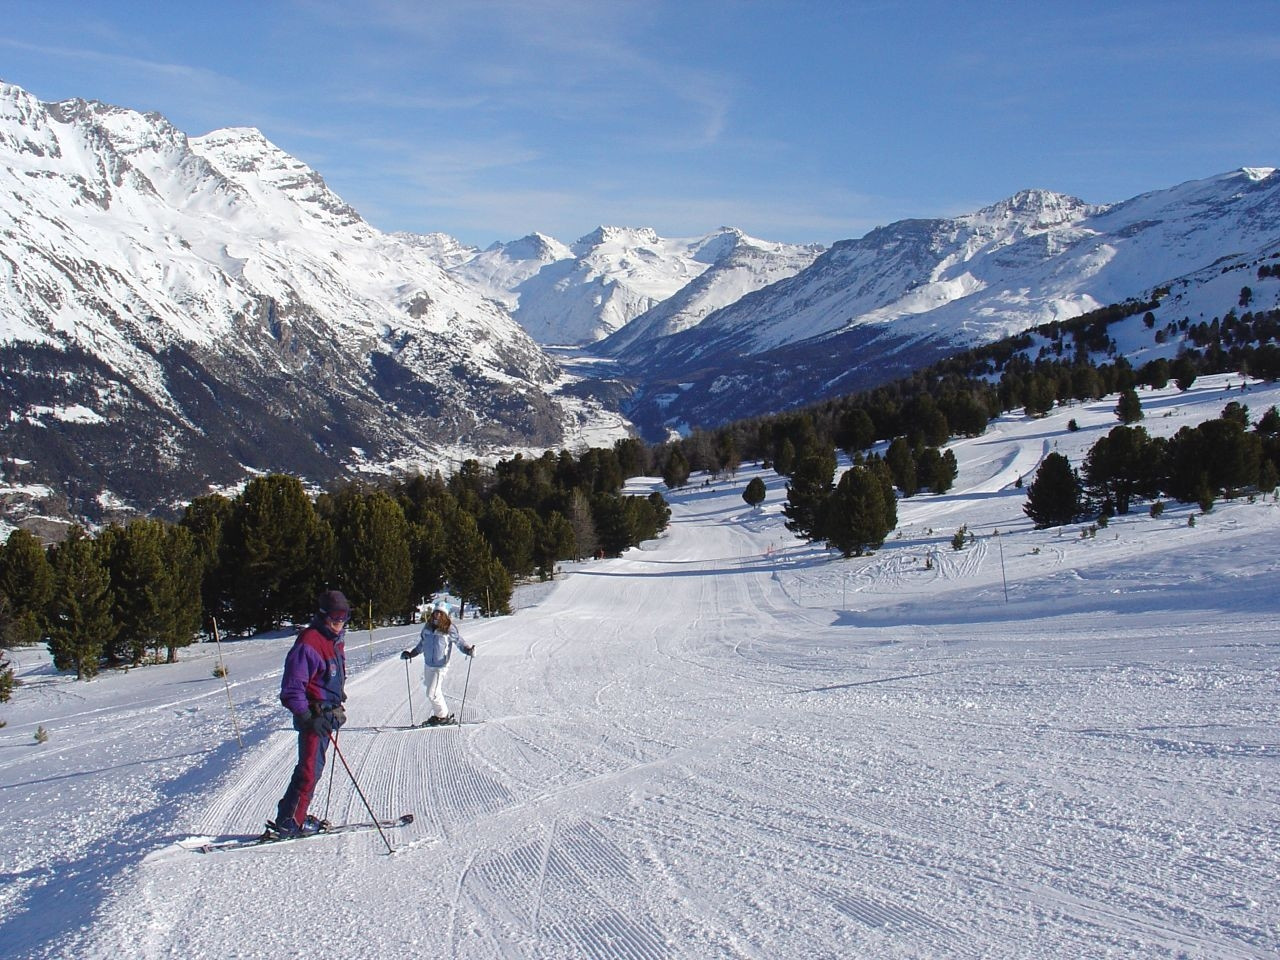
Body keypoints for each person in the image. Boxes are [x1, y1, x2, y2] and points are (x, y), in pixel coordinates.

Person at [267, 589, 350, 837]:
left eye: (345, 617)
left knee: (314, 767)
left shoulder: (334, 640)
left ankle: (293, 814)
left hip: (326, 715)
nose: (340, 622)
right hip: (313, 716)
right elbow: (292, 689)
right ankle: (289, 821)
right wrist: (307, 717)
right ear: (322, 615)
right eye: (335, 617)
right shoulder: (309, 642)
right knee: (309, 770)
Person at [401, 600, 474, 726]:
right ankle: (439, 715)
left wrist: (468, 650)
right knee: (434, 691)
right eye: (436, 612)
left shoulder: (449, 629)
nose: (437, 615)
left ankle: (443, 716)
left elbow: (459, 642)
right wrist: (411, 654)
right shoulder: (427, 628)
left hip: (440, 666)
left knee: (432, 693)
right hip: (428, 664)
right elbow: (422, 644)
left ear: (444, 615)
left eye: (440, 613)